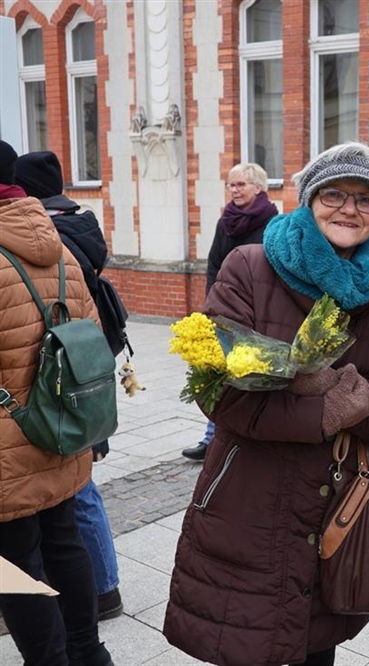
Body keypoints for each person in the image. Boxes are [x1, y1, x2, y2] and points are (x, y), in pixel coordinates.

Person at [163, 142, 369, 666]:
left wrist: (357, 398)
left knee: (315, 645)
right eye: (335, 194)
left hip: (335, 505)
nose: (350, 209)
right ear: (308, 200)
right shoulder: (250, 267)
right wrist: (322, 412)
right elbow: (219, 394)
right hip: (249, 498)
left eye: (366, 199)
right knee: (246, 639)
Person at [0, 140, 114, 664]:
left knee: (16, 560)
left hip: (8, 443)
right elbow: (90, 333)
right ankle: (89, 653)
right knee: (63, 538)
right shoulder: (59, 245)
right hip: (61, 426)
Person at [182, 162, 278, 461]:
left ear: (258, 188)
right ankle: (213, 439)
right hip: (226, 310)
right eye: (231, 185)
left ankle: (255, 436)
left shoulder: (273, 223)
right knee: (220, 372)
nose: (234, 190)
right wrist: (214, 303)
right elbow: (214, 265)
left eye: (240, 185)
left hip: (260, 312)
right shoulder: (226, 223)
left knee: (255, 375)